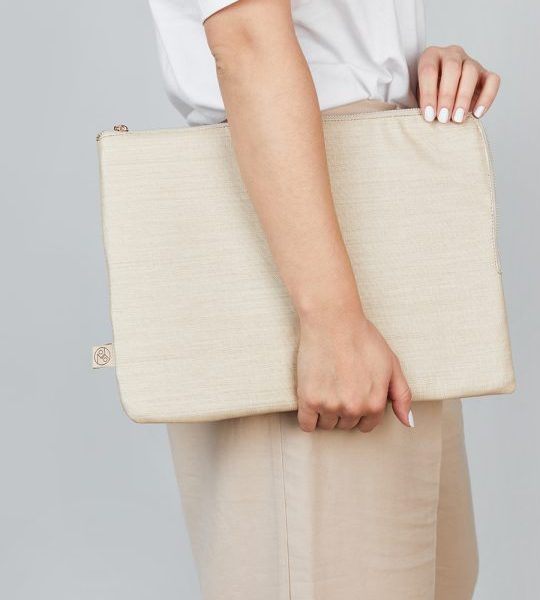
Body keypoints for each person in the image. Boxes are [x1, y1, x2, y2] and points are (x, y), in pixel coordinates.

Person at [146, 1, 501, 598]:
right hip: (311, 249)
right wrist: (331, 320)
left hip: (372, 221)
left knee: (439, 580)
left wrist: (402, 75)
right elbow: (247, 40)